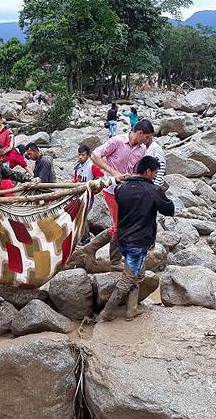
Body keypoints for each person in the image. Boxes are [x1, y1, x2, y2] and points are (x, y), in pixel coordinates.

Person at [99, 156, 175, 321]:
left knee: (137, 274)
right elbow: (169, 210)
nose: (155, 176)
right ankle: (106, 312)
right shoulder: (153, 191)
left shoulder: (122, 188)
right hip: (138, 242)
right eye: (154, 173)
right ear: (148, 171)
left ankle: (131, 309)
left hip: (123, 238)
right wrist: (161, 191)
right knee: (128, 278)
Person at [79, 120, 164, 268]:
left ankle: (96, 251)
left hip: (127, 192)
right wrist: (113, 173)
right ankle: (109, 258)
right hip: (111, 189)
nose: (149, 141)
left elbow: (137, 170)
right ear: (140, 133)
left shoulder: (142, 149)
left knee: (122, 224)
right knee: (120, 225)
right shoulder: (117, 141)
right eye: (148, 137)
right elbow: (95, 155)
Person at [73, 145, 104, 245]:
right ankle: (81, 236)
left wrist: (94, 192)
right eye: (79, 155)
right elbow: (76, 179)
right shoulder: (78, 166)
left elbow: (101, 179)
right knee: (79, 215)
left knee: (83, 216)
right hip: (78, 196)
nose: (80, 157)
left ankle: (85, 238)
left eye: (83, 155)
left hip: (88, 196)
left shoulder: (92, 166)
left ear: (88, 155)